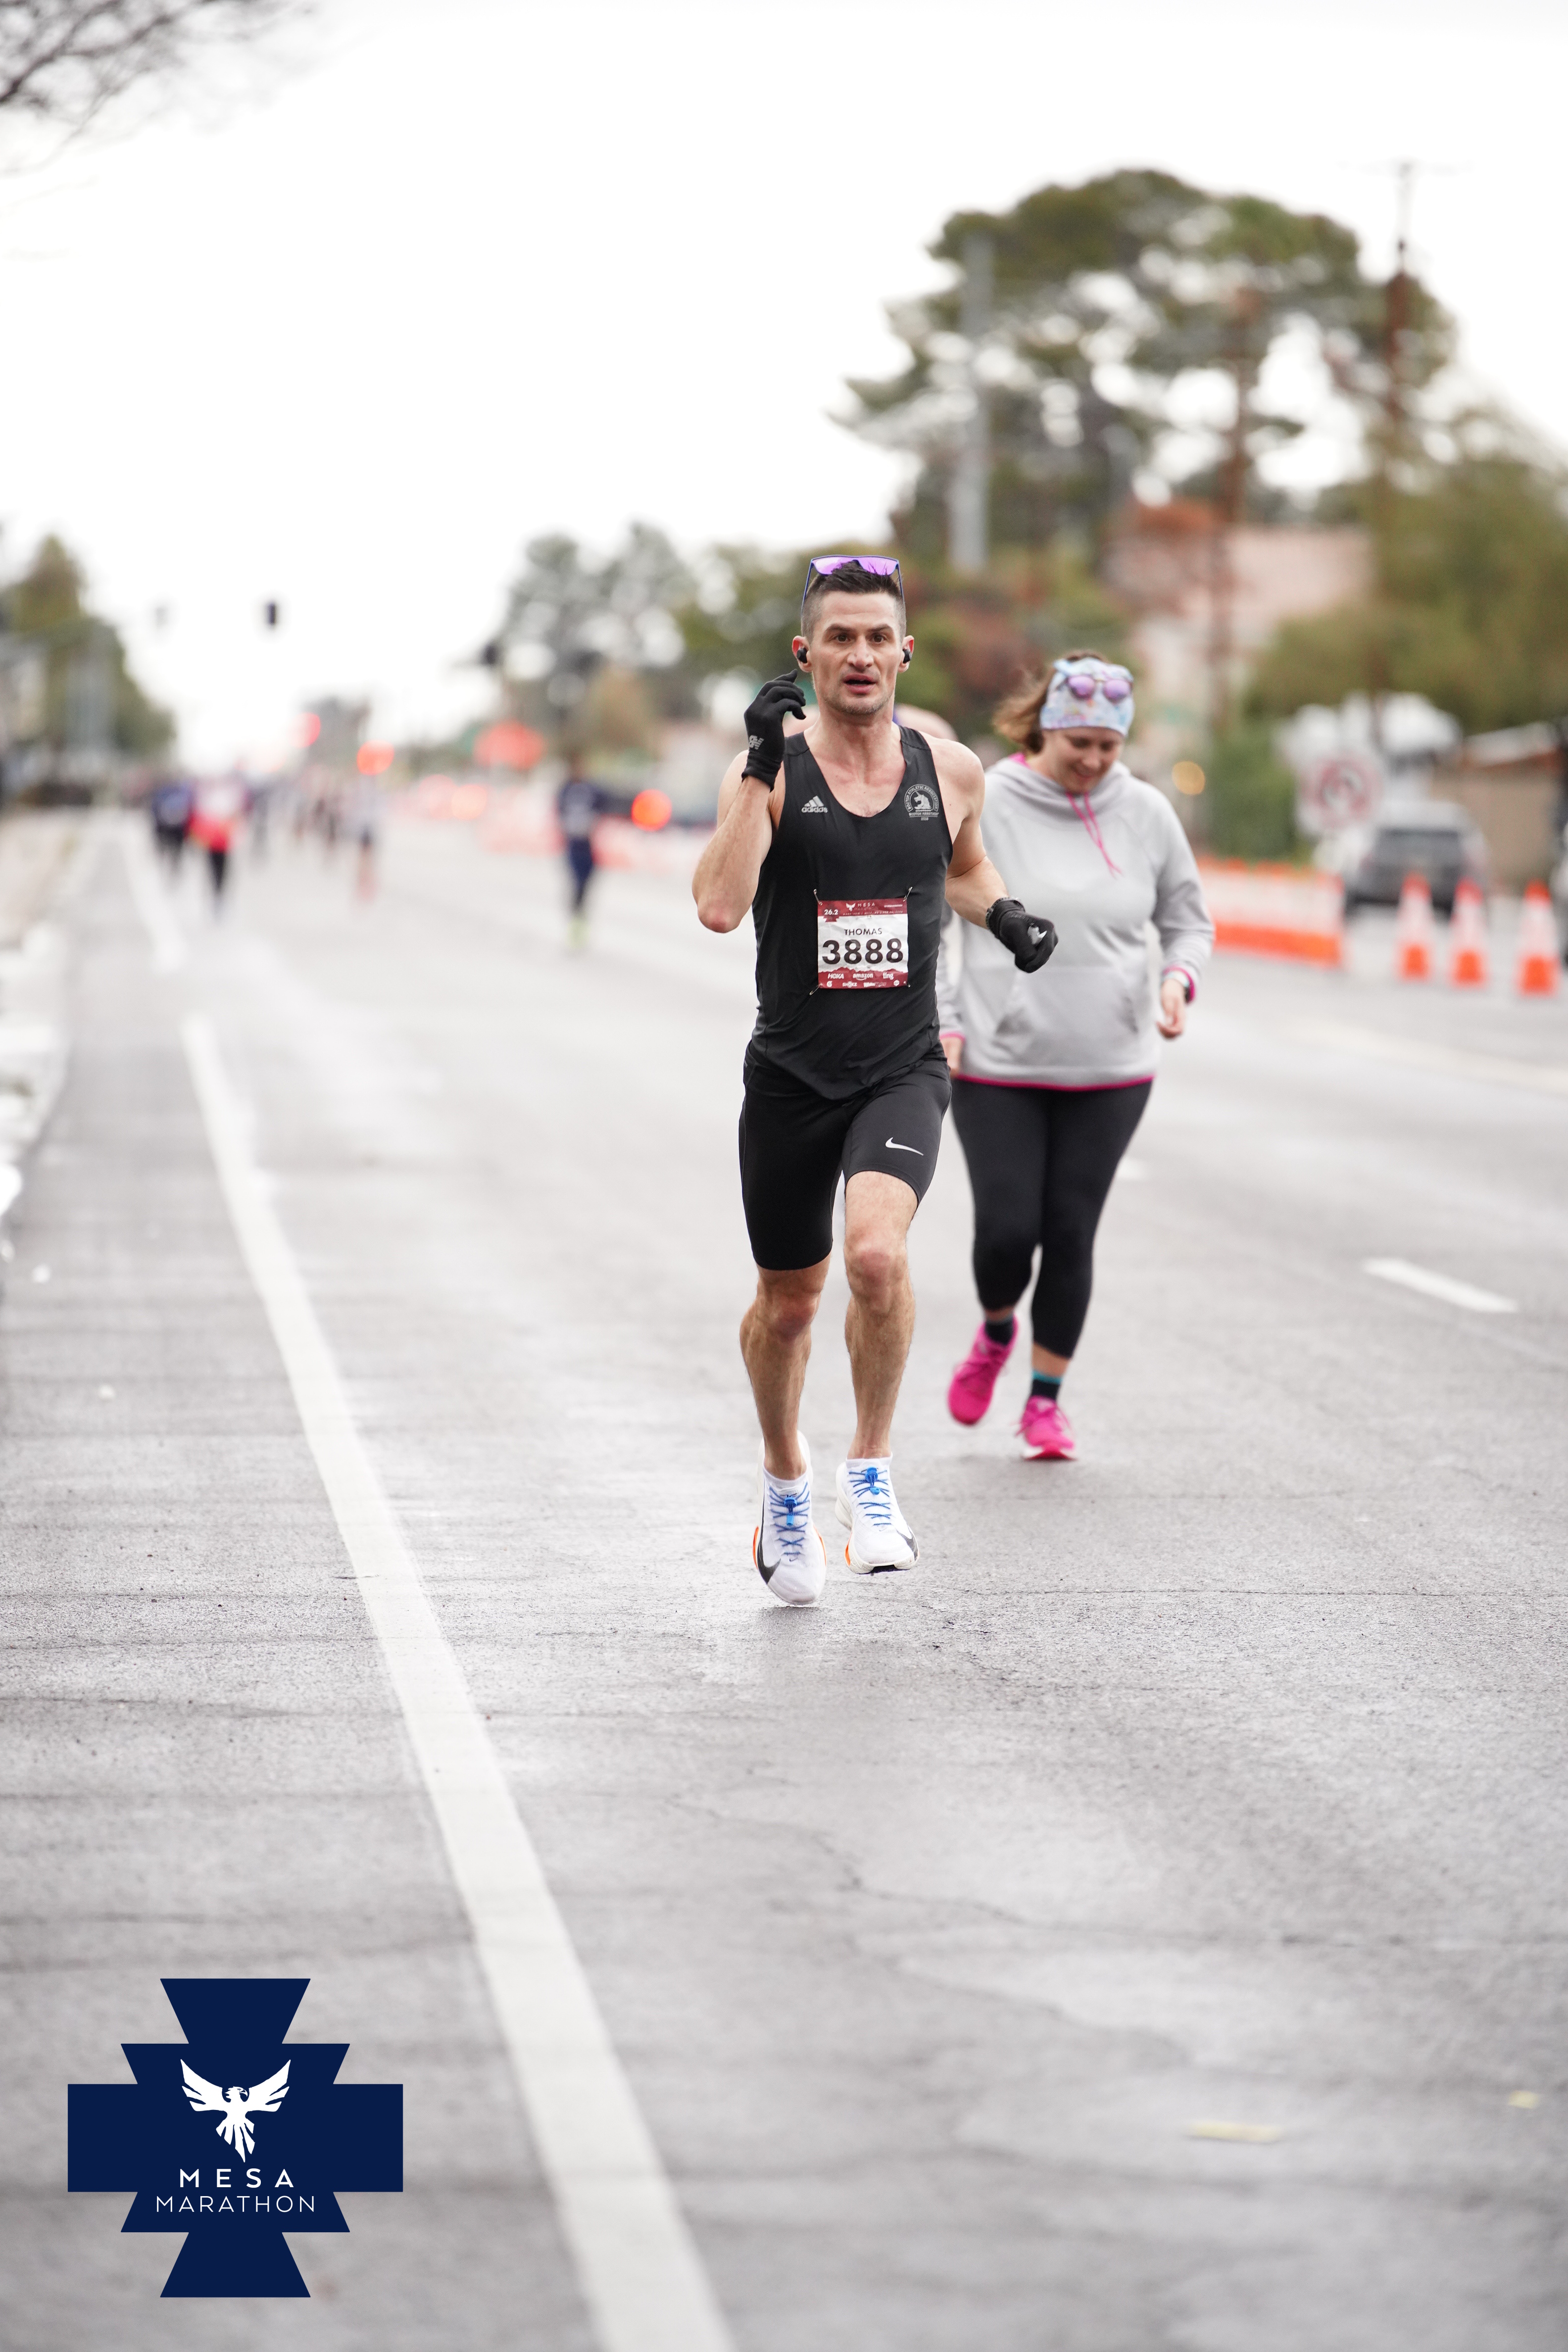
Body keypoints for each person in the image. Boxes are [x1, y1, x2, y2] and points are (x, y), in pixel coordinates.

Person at [693, 557, 1057, 1606]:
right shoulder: (766, 771)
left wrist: (1007, 913)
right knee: (789, 1305)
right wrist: (758, 772)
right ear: (805, 656)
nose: (859, 654)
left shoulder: (951, 771)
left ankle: (871, 1471)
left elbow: (963, 866)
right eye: (839, 637)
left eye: (876, 637)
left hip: (901, 1066)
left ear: (904, 654)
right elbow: (718, 906)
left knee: (876, 1258)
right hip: (790, 1076)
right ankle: (784, 1480)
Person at [939, 653, 1213, 1460]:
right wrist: (944, 1017)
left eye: (1108, 746)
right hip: (996, 1060)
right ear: (1045, 728)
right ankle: (996, 1331)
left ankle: (1044, 1402)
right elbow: (937, 913)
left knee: (1069, 1231)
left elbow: (1187, 919)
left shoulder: (1147, 812)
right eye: (1078, 743)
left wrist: (1177, 980)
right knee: (1005, 1233)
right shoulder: (990, 798)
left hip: (1112, 1065)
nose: (1093, 761)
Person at [556, 752, 607, 945]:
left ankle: (580, 916)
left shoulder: (592, 790)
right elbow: (559, 813)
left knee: (586, 884)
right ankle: (575, 920)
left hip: (589, 845)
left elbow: (604, 806)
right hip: (573, 845)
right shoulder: (566, 791)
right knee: (576, 884)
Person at [149, 776, 194, 876]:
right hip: (170, 826)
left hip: (177, 826)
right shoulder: (167, 793)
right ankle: (170, 863)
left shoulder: (181, 794)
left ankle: (173, 865)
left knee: (175, 848)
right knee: (171, 847)